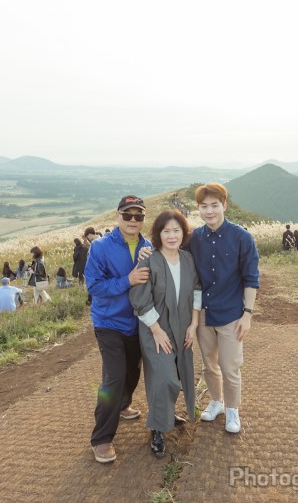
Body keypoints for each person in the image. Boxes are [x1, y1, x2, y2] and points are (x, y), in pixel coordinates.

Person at [129, 209, 201, 458]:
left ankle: (166, 414)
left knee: (180, 374)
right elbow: (139, 298)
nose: (172, 235)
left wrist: (193, 325)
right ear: (158, 234)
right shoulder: (149, 259)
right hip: (155, 328)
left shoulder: (188, 259)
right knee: (164, 376)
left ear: (184, 233)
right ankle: (157, 429)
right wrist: (157, 330)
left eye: (176, 230)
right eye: (166, 231)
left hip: (183, 326)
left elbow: (197, 291)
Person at [86, 195, 152, 464]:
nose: (133, 220)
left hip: (137, 322)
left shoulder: (148, 246)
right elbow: (94, 286)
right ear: (118, 216)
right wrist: (127, 280)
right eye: (128, 215)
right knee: (114, 377)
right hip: (108, 322)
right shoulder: (100, 247)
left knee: (132, 372)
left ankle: (123, 405)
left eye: (139, 216)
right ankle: (101, 439)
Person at [189, 183, 259, 434]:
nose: (209, 211)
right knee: (209, 364)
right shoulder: (194, 238)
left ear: (224, 205)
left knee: (230, 366)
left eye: (214, 205)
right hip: (204, 313)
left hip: (231, 314)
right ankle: (216, 402)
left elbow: (251, 278)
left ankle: (232, 409)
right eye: (204, 206)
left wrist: (247, 315)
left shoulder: (241, 237)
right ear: (198, 208)